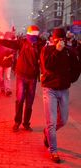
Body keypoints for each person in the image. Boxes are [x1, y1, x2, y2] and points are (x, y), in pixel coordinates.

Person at [40, 28, 81, 163]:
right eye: (57, 40)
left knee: (63, 120)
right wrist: (56, 51)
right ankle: (54, 151)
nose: (60, 42)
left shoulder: (70, 52)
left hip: (64, 90)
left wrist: (69, 80)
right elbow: (47, 66)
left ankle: (47, 132)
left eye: (62, 40)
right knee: (51, 122)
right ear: (53, 39)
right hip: (49, 89)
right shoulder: (47, 50)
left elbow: (76, 68)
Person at [0, 25, 44, 132]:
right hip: (21, 75)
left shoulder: (40, 45)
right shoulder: (22, 42)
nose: (32, 37)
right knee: (20, 100)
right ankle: (17, 122)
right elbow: (10, 43)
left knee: (29, 102)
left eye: (35, 34)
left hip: (32, 77)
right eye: (31, 34)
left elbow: (45, 59)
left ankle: (26, 123)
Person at [0, 32, 15, 96]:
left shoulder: (12, 46)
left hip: (8, 64)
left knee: (7, 77)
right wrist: (2, 57)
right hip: (0, 63)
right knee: (1, 78)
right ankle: (2, 88)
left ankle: (8, 90)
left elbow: (13, 54)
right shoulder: (0, 45)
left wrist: (7, 57)